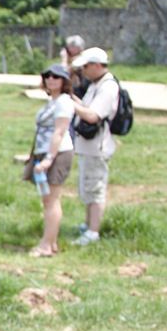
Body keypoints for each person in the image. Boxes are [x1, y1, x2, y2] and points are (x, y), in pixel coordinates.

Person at [68, 46, 120, 246]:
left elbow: (92, 115)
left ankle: (93, 231)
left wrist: (70, 104)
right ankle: (88, 224)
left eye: (86, 67)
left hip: (97, 146)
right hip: (87, 145)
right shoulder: (95, 84)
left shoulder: (108, 87)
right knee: (87, 186)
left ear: (97, 66)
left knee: (96, 188)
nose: (84, 71)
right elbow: (87, 107)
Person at [25, 64, 76, 257]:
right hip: (45, 151)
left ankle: (46, 245)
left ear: (64, 81)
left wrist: (48, 159)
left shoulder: (63, 102)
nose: (51, 79)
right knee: (48, 200)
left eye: (56, 76)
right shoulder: (53, 101)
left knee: (51, 200)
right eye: (47, 76)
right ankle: (51, 242)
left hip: (57, 153)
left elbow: (59, 131)